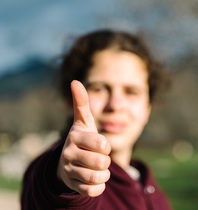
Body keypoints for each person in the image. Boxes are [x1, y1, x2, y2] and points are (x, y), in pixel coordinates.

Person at [21, 29, 171, 210]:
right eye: (100, 88)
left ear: (148, 108)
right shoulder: (50, 171)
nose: (115, 105)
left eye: (132, 91)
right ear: (70, 101)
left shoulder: (150, 187)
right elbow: (50, 196)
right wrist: (64, 182)